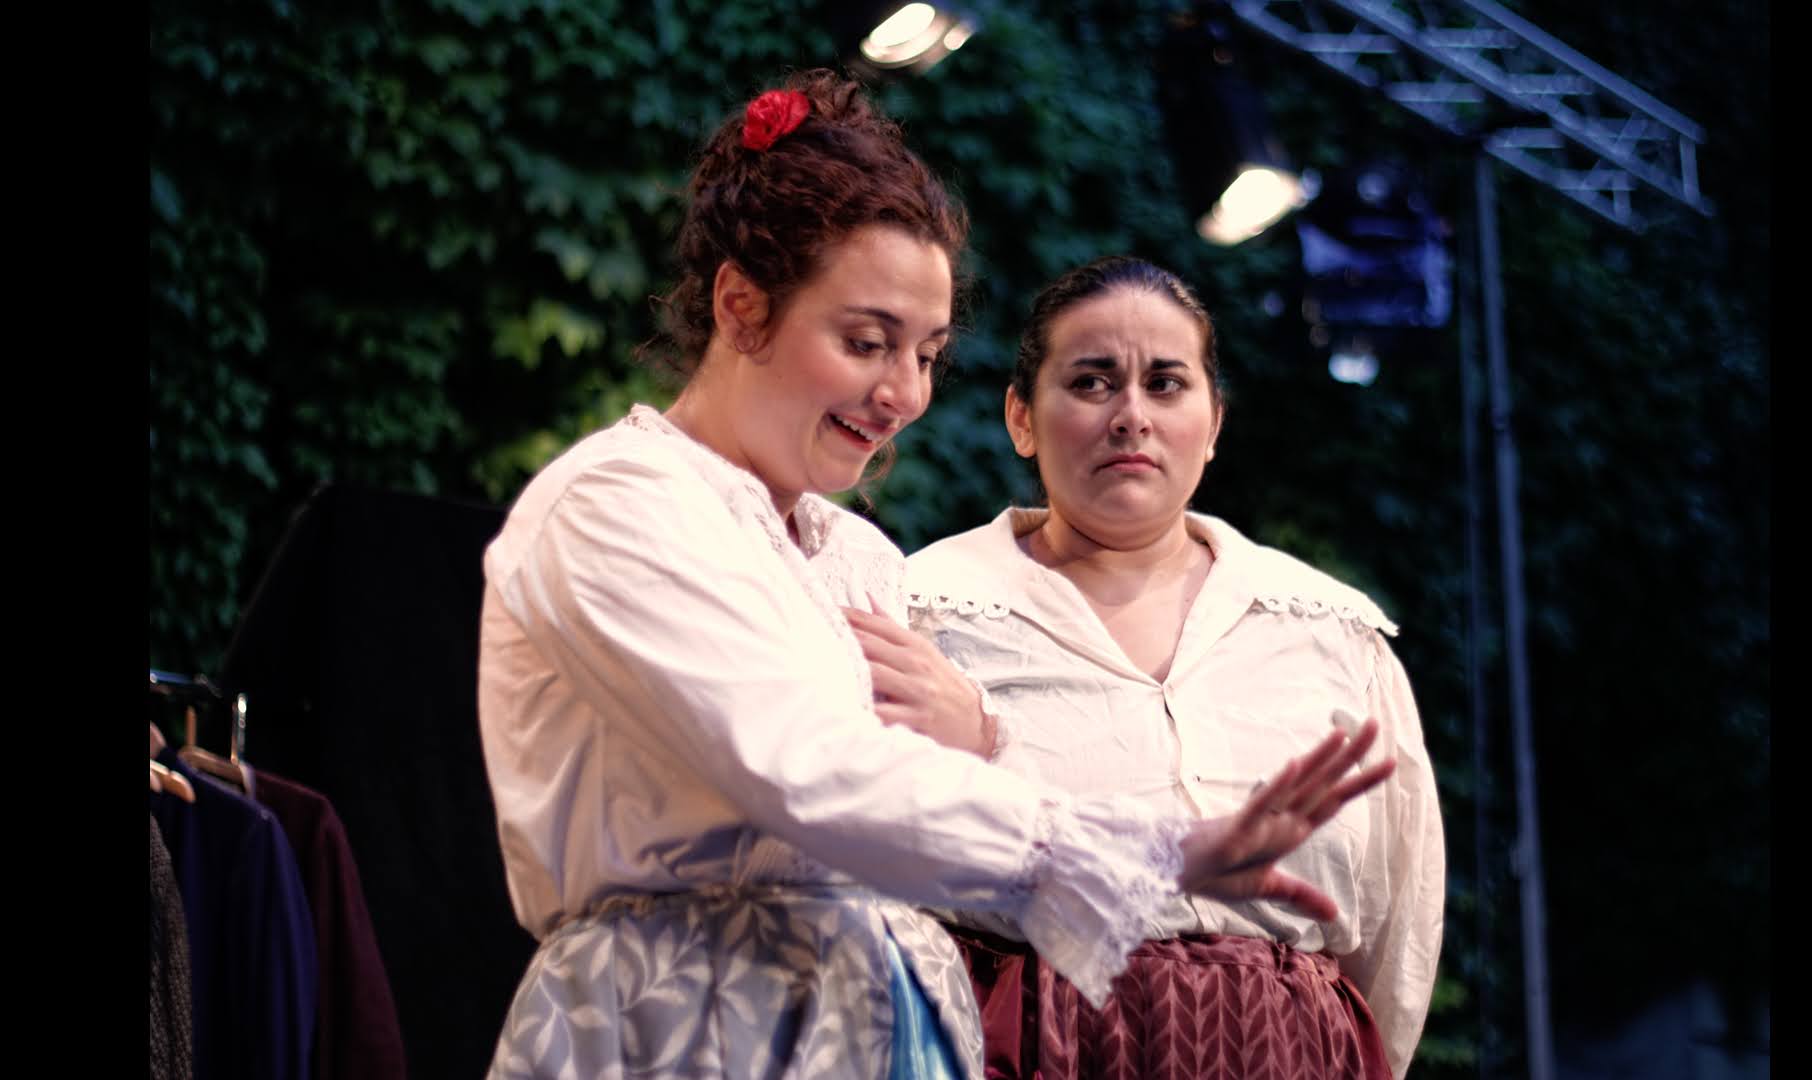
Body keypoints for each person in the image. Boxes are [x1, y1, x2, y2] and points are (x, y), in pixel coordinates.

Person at [476, 72, 1393, 1080]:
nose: (904, 393)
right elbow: (807, 771)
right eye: (867, 343)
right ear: (742, 307)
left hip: (881, 1024)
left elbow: (923, 833)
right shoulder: (618, 504)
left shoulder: (857, 556)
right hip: (687, 1024)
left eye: (928, 354)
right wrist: (1156, 846)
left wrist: (985, 746)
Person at [872, 256, 1445, 1078]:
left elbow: (1399, 929)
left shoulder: (1331, 635)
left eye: (1166, 384)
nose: (1131, 416)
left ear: (1213, 424)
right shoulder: (921, 613)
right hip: (1027, 1050)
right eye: (1092, 382)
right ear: (1022, 418)